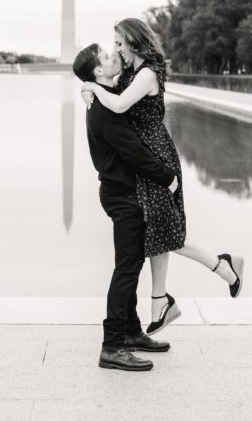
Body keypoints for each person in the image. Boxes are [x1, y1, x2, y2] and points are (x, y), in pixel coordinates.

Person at [80, 18, 244, 335]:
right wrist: (91, 86)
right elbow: (109, 91)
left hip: (155, 158)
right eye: (112, 45)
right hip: (143, 158)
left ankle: (223, 267)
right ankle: (161, 301)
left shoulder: (147, 73)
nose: (115, 50)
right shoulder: (130, 72)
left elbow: (118, 104)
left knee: (165, 232)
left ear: (133, 41)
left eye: (118, 43)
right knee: (158, 230)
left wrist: (90, 87)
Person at [73, 43, 178, 372]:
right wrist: (166, 176)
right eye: (106, 56)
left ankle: (131, 333)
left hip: (121, 192)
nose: (113, 55)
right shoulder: (105, 110)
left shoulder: (104, 97)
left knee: (131, 266)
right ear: (99, 71)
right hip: (123, 195)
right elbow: (132, 150)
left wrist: (88, 86)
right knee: (127, 270)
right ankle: (113, 346)